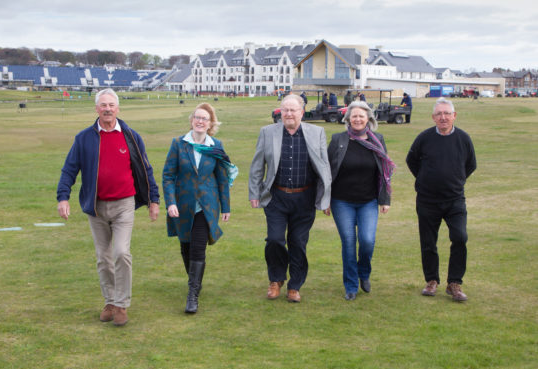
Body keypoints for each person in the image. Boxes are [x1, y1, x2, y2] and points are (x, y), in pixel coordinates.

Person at [57, 88, 160, 326]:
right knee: (103, 257)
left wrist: (154, 200)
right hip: (96, 207)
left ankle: (122, 305)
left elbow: (146, 169)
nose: (107, 109)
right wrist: (63, 197)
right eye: (103, 105)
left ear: (117, 108)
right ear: (96, 109)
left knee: (121, 253)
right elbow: (69, 170)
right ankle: (110, 301)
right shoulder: (84, 139)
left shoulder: (131, 136)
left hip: (124, 204)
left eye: (111, 105)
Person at [249, 94, 332, 303]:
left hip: (305, 198)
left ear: (302, 112)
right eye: (284, 110)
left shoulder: (317, 132)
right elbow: (257, 165)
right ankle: (276, 280)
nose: (288, 114)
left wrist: (326, 197)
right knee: (275, 240)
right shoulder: (268, 133)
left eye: (293, 110)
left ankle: (295, 285)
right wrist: (254, 193)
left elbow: (324, 167)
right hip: (276, 197)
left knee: (298, 242)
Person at [163, 103, 235, 314]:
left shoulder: (216, 146)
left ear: (211, 123)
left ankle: (192, 294)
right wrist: (171, 202)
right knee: (185, 247)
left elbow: (222, 179)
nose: (200, 121)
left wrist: (226, 206)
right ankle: (195, 280)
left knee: (198, 247)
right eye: (197, 117)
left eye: (205, 118)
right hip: (183, 204)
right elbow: (168, 176)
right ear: (192, 120)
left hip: (206, 205)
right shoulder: (178, 144)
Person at [406, 97, 477, 302]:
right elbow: (412, 161)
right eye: (439, 114)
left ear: (454, 116)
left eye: (447, 113)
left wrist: (456, 180)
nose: (443, 117)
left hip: (455, 200)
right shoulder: (424, 138)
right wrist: (426, 179)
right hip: (427, 200)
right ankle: (431, 281)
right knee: (428, 242)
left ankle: (454, 283)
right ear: (433, 117)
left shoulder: (463, 138)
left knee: (460, 237)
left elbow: (470, 164)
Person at [328, 101, 395, 301]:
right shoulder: (338, 140)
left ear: (369, 119)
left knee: (367, 241)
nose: (357, 119)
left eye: (361, 116)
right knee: (348, 242)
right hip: (342, 201)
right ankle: (351, 285)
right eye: (354, 116)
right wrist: (324, 200)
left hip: (368, 201)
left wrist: (385, 199)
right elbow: (327, 170)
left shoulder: (378, 140)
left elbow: (384, 172)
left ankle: (363, 273)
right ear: (347, 119)